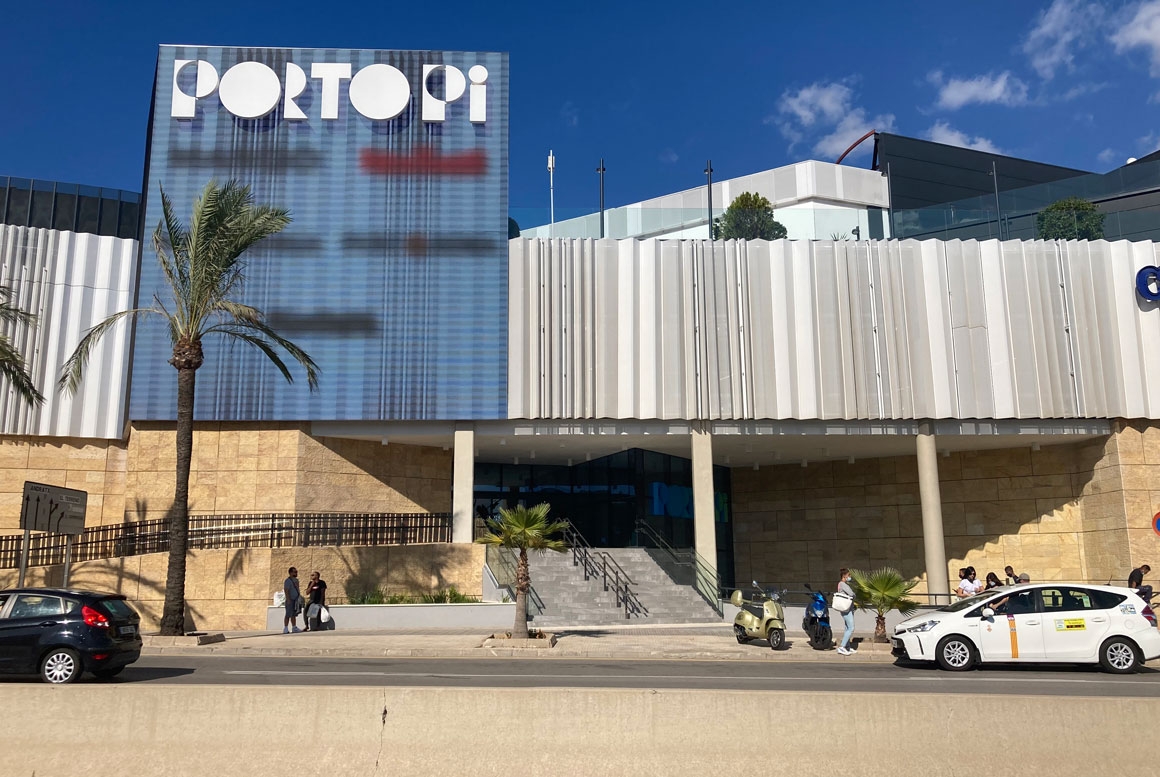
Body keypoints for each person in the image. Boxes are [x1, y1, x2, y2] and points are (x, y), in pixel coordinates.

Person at [836, 568, 857, 656]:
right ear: (844, 576)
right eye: (849, 575)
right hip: (846, 609)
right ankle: (842, 647)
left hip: (847, 609)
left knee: (847, 628)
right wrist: (854, 595)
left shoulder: (842, 584)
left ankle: (847, 647)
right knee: (851, 628)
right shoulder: (843, 584)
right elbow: (852, 594)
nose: (850, 577)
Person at [282, 567, 302, 634]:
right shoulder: (288, 581)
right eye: (294, 572)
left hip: (295, 600)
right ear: (290, 573)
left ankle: (294, 627)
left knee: (294, 614)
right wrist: (288, 599)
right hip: (290, 599)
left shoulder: (296, 580)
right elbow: (286, 590)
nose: (296, 573)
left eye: (296, 572)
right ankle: (285, 628)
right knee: (288, 614)